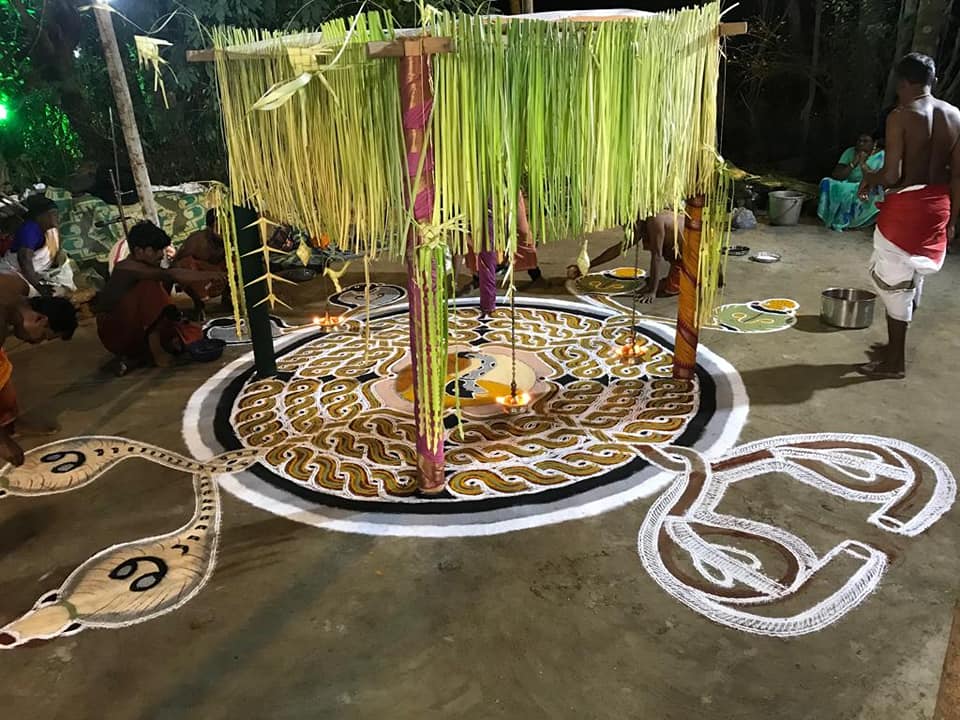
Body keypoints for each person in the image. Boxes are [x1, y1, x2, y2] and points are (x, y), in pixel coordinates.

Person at [856, 53, 960, 379]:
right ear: (933, 81)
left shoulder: (900, 116)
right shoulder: (955, 115)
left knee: (893, 279)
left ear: (903, 83)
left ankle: (895, 362)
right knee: (915, 274)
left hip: (907, 208)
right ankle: (893, 349)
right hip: (938, 206)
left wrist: (867, 174)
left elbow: (890, 176)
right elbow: (957, 176)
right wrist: (953, 219)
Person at [96, 221, 224, 375]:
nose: (160, 255)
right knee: (149, 287)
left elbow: (171, 276)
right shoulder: (126, 267)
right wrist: (212, 274)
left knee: (192, 332)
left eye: (162, 250)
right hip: (117, 333)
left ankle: (138, 357)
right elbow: (172, 274)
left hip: (137, 329)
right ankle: (155, 351)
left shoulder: (148, 267)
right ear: (139, 250)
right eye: (155, 250)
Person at [0, 272, 77, 466]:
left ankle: (9, 422)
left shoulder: (18, 285)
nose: (35, 343)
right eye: (43, 336)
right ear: (40, 319)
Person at [567, 210, 684, 303]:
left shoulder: (654, 221)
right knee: (651, 283)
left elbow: (656, 257)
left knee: (666, 289)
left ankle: (684, 277)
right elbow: (618, 249)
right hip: (683, 255)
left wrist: (652, 292)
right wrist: (587, 266)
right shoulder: (641, 224)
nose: (628, 230)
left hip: (693, 254)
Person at [0, 196, 69, 297]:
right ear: (40, 216)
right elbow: (24, 259)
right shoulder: (30, 229)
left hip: (38, 274)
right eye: (51, 215)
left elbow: (57, 250)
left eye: (56, 214)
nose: (55, 218)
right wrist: (38, 286)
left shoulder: (51, 228)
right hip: (14, 274)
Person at [817, 133, 886, 231]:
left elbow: (876, 178)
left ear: (874, 143)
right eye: (859, 141)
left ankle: (853, 221)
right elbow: (837, 175)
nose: (861, 143)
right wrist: (854, 162)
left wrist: (862, 163)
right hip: (848, 183)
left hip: (868, 186)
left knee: (873, 191)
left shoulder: (882, 156)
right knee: (827, 182)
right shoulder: (850, 152)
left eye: (865, 141)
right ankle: (834, 218)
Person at [172, 208, 227, 320]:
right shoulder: (197, 240)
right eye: (219, 226)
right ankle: (199, 304)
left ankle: (228, 299)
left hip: (222, 274)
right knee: (184, 264)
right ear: (210, 227)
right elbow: (176, 267)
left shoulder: (233, 237)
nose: (225, 230)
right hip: (201, 277)